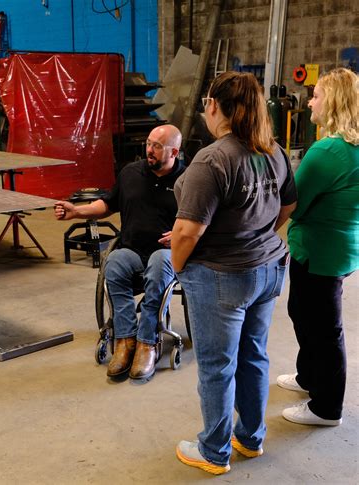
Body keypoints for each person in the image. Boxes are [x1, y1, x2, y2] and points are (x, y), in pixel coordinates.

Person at [170, 72, 297, 475]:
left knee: (217, 365)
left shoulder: (212, 158)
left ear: (214, 106)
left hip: (222, 276)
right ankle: (250, 438)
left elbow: (188, 230)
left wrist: (176, 267)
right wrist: (255, 233)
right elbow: (287, 206)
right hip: (268, 268)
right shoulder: (272, 150)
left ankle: (213, 451)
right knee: (254, 356)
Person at [54, 124, 184, 380]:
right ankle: (125, 340)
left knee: (159, 266)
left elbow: (201, 218)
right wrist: (77, 211)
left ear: (174, 151)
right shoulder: (130, 173)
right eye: (148, 143)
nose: (150, 150)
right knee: (113, 265)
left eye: (157, 147)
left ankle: (147, 342)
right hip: (132, 249)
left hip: (167, 253)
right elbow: (108, 204)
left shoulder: (188, 180)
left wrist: (181, 234)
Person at [277, 68, 359, 426]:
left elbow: (293, 203)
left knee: (324, 330)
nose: (310, 101)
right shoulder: (351, 147)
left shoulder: (327, 150)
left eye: (317, 95)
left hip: (319, 252)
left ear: (334, 102)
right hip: (339, 248)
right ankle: (308, 377)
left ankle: (327, 408)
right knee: (303, 313)